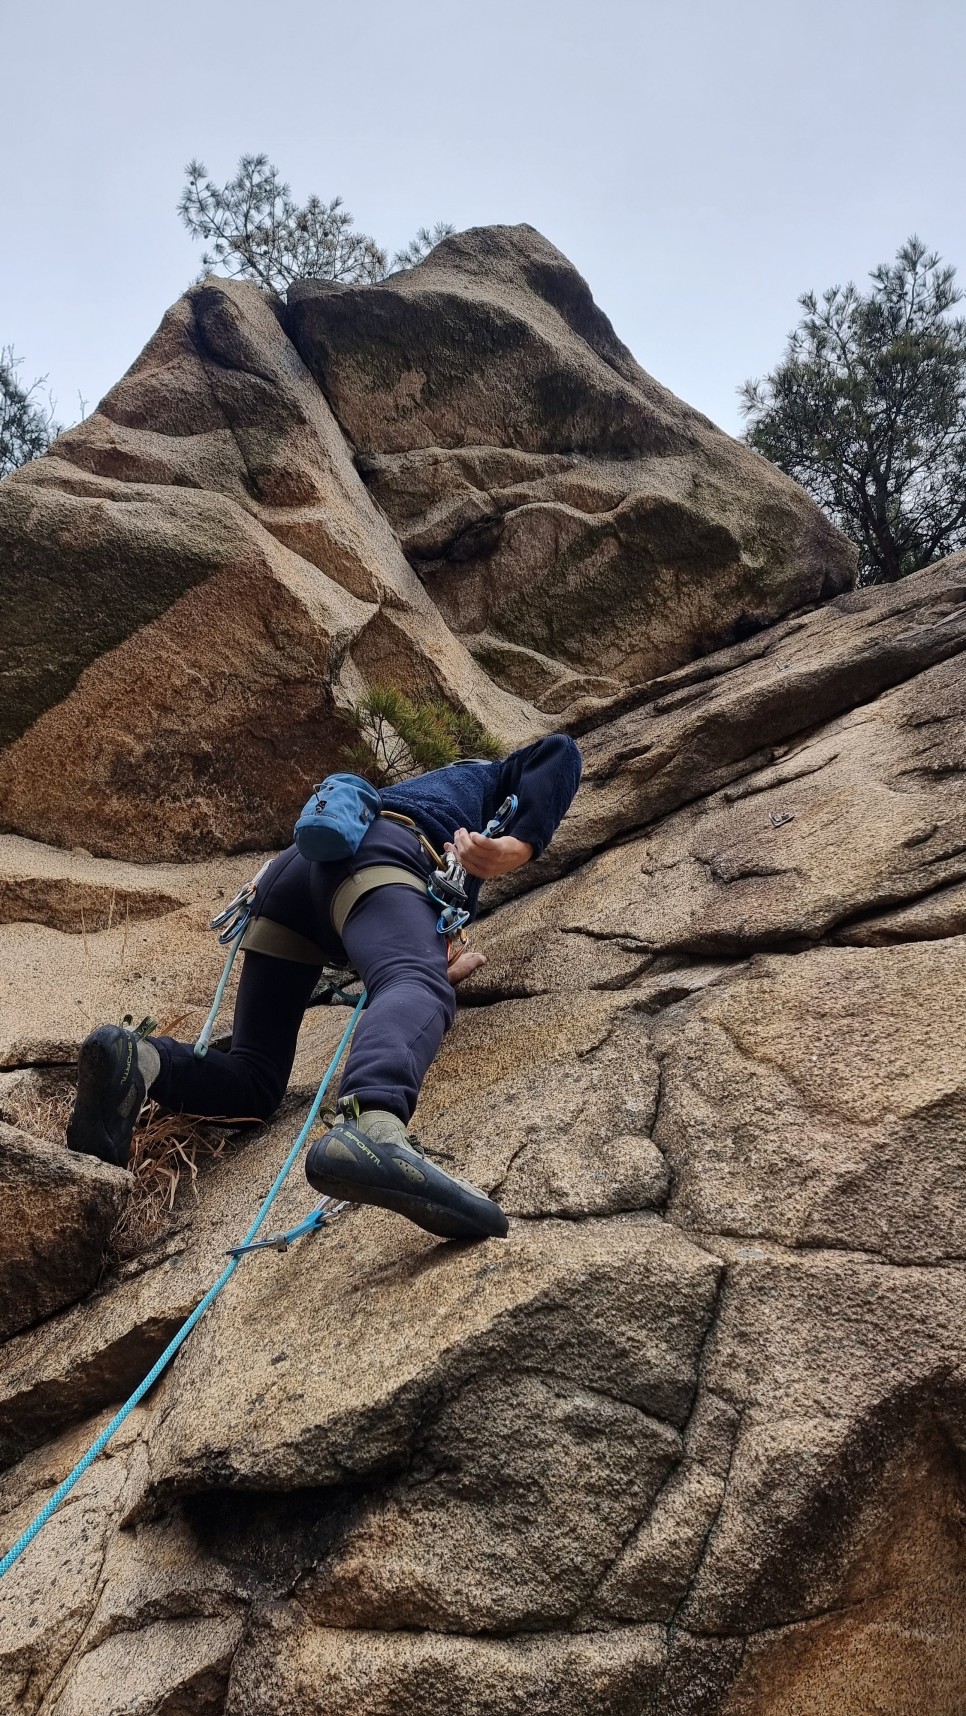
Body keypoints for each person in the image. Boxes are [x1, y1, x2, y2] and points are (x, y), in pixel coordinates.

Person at [68, 733, 582, 1242]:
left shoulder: (412, 793)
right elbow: (558, 751)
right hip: (383, 852)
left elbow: (379, 939)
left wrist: (420, 958)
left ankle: (139, 1059)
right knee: (411, 981)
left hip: (288, 882)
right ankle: (372, 1125)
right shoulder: (486, 777)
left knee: (254, 1081)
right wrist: (518, 846)